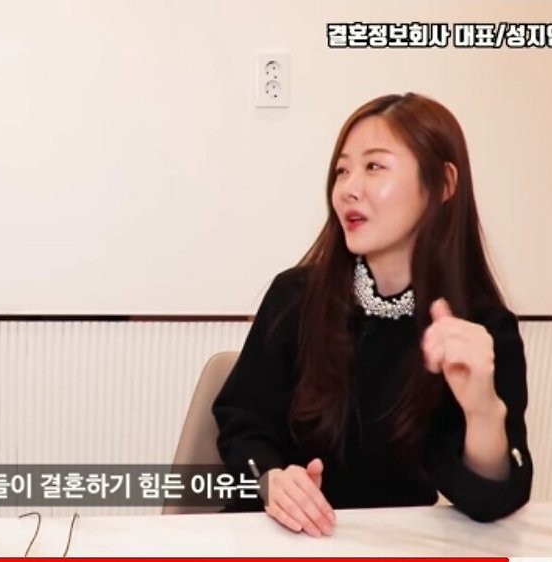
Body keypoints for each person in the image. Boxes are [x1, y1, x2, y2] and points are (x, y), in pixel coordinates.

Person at [212, 93, 532, 536]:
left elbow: (490, 501)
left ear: (443, 183)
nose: (348, 189)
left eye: (374, 166)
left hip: (394, 544)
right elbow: (242, 423)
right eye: (342, 170)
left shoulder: (479, 329)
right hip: (278, 537)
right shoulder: (295, 297)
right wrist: (271, 479)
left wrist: (482, 409)